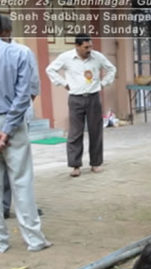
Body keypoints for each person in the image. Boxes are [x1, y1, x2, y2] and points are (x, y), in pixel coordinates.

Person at [0, 15, 50, 253]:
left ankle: (0, 242)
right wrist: (7, 128)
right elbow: (26, 94)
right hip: (13, 120)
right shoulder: (21, 53)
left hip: (8, 120)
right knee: (21, 181)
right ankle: (34, 239)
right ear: (8, 31)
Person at [45, 34, 116, 177]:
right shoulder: (66, 57)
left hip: (93, 97)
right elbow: (50, 69)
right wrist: (64, 83)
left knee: (95, 131)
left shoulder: (97, 57)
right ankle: (75, 165)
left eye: (90, 46)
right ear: (77, 46)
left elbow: (112, 69)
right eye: (86, 47)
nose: (89, 49)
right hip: (75, 98)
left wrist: (103, 83)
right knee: (75, 133)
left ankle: (95, 163)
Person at [2, 21, 40, 220]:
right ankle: (28, 225)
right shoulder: (21, 53)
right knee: (20, 174)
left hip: (16, 116)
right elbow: (30, 89)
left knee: (15, 169)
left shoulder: (21, 51)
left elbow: (31, 88)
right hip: (14, 116)